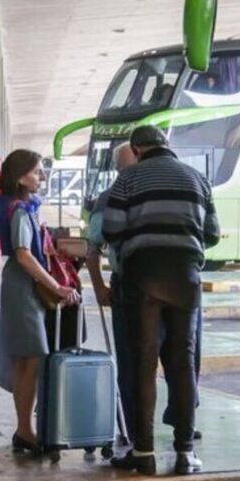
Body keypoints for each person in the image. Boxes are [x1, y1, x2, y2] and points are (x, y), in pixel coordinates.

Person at [103, 125, 219, 476]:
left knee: (143, 364)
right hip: (186, 277)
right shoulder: (197, 179)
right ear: (166, 145)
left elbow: (112, 229)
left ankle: (143, 452)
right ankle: (185, 452)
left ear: (137, 149)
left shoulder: (128, 179)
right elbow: (211, 233)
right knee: (182, 364)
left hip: (144, 277)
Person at [0, 149, 79, 453]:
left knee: (29, 358)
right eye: (37, 171)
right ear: (19, 176)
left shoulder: (17, 205)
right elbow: (24, 254)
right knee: (30, 356)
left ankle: (25, 429)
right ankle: (25, 430)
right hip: (22, 286)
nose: (41, 177)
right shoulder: (18, 209)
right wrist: (56, 286)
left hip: (22, 284)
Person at [85, 141, 136, 440]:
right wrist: (99, 287)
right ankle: (130, 424)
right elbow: (93, 249)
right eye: (125, 168)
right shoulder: (107, 199)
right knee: (130, 357)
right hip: (126, 283)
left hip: (138, 283)